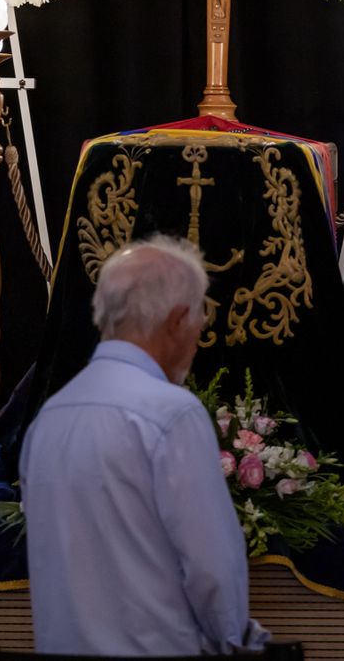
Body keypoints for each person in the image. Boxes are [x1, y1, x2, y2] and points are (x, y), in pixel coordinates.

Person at [20, 235, 269, 656]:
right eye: (197, 324)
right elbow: (213, 571)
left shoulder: (50, 418)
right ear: (176, 321)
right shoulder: (171, 415)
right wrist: (237, 644)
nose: (197, 338)